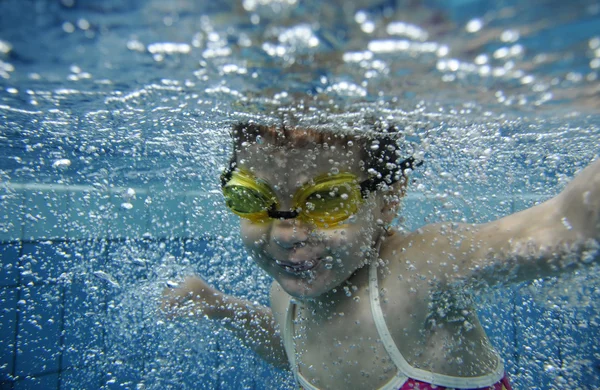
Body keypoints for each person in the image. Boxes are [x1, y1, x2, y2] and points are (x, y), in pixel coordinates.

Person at [164, 120, 600, 390]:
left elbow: (567, 228)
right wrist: (223, 309)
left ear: (388, 200)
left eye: (328, 200)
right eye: (252, 198)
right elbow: (288, 348)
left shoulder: (415, 269)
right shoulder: (287, 299)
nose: (286, 232)